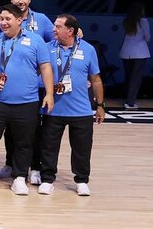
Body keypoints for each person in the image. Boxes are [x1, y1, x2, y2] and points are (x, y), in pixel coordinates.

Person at [0, 3, 56, 196]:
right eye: (2, 19)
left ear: (19, 20)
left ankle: (19, 177)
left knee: (24, 142)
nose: (3, 23)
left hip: (26, 102)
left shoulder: (36, 40)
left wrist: (49, 93)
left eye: (8, 19)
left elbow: (45, 67)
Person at [38, 14, 105, 196]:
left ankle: (82, 180)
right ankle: (47, 179)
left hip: (81, 110)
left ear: (70, 31)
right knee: (49, 147)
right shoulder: (46, 48)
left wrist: (100, 105)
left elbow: (96, 79)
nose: (54, 29)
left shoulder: (88, 49)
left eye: (58, 26)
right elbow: (37, 72)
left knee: (82, 149)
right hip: (53, 109)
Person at [120, 1, 150, 109]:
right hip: (140, 52)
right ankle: (130, 102)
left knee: (128, 76)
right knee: (136, 77)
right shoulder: (143, 21)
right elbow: (148, 37)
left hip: (126, 52)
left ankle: (127, 99)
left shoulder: (127, 20)